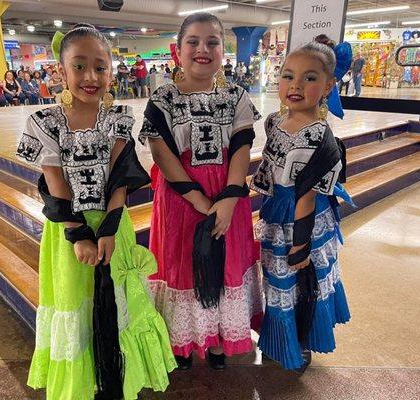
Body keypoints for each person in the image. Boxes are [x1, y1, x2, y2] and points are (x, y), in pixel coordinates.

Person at [17, 23, 175, 400]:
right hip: (68, 232)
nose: (91, 77)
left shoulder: (119, 118)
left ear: (111, 70)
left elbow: (120, 178)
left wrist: (107, 228)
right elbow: (54, 182)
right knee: (76, 300)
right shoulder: (44, 122)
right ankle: (82, 384)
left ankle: (118, 376)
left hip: (111, 226)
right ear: (61, 70)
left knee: (119, 298)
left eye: (100, 67)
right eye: (79, 66)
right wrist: (78, 233)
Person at [139, 12, 264, 371]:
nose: (202, 49)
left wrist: (226, 200)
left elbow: (242, 146)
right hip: (181, 199)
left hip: (229, 195)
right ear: (177, 50)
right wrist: (201, 201)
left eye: (212, 41)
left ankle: (219, 340)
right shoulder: (162, 98)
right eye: (192, 41)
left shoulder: (236, 96)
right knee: (181, 264)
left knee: (224, 261)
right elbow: (162, 154)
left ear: (223, 49)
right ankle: (183, 340)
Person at [250, 39, 352, 374]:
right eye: (287, 75)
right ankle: (283, 339)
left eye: (309, 78)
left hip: (301, 222)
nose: (295, 85)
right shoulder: (274, 122)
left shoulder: (318, 137)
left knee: (301, 280)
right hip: (276, 214)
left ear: (329, 84)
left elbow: (307, 196)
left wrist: (301, 245)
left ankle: (301, 340)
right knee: (278, 282)